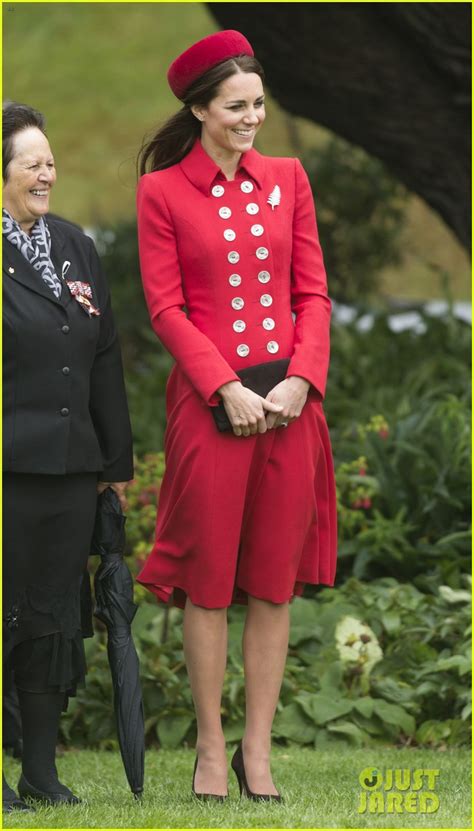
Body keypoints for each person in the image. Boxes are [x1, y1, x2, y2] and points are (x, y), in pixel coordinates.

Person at [136, 30, 337, 801]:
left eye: (258, 103)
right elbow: (165, 305)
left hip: (289, 407)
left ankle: (259, 750)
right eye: (237, 106)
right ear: (198, 108)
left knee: (273, 583)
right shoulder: (161, 191)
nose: (253, 117)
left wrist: (300, 381)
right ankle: (212, 749)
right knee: (210, 583)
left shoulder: (289, 176)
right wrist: (225, 387)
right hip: (210, 407)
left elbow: (313, 293)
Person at [2, 101, 133, 809]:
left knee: (52, 618)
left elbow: (105, 357)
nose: (48, 172)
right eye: (33, 162)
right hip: (6, 471)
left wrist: (114, 466)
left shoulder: (77, 246)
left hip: (69, 469)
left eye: (51, 160)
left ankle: (40, 772)